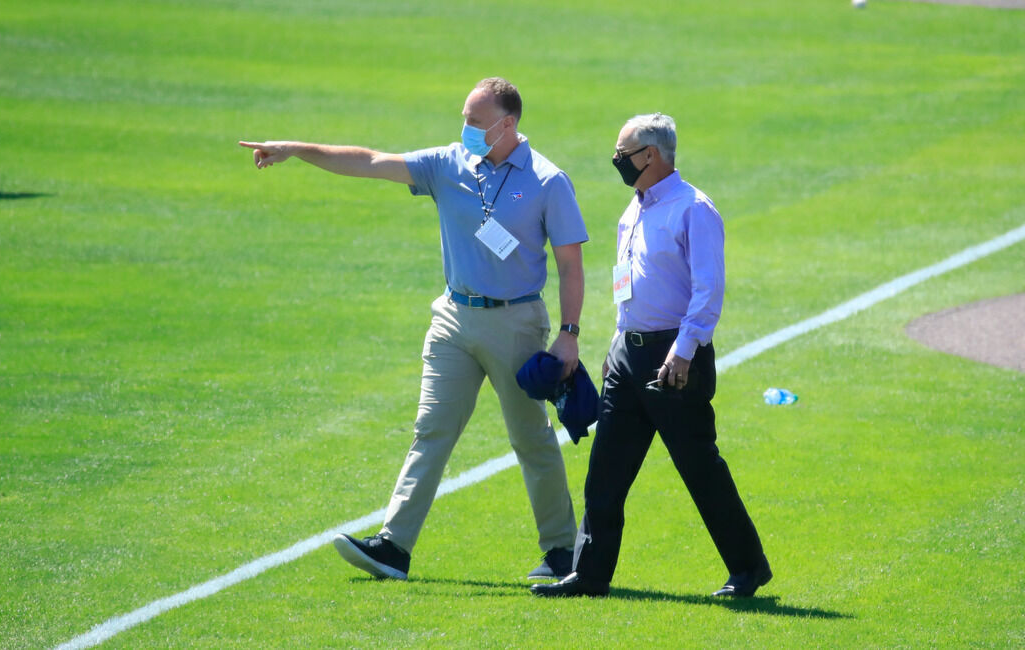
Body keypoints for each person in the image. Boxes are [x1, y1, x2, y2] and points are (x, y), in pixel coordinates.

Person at [239, 77, 586, 581]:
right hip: (452, 319)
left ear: (507, 125)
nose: (463, 129)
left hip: (515, 322)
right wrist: (295, 149)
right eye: (463, 118)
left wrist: (570, 332)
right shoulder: (448, 164)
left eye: (474, 122)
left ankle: (561, 553)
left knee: (531, 439)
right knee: (431, 430)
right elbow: (369, 161)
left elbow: (571, 266)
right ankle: (394, 547)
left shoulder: (548, 181)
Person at [532, 113, 770, 599]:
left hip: (675, 357)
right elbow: (625, 283)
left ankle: (748, 569)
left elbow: (708, 291)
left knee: (699, 468)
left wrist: (683, 354)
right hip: (628, 355)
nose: (617, 161)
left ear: (652, 156)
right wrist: (616, 343)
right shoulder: (632, 210)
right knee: (605, 471)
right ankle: (590, 573)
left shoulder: (693, 209)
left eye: (623, 153)